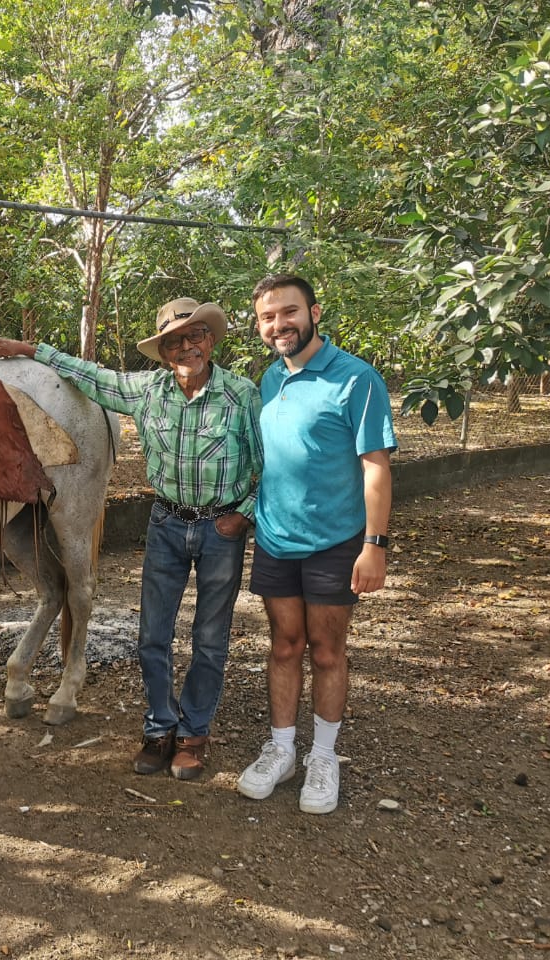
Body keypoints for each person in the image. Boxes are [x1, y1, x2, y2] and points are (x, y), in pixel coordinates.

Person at [0, 298, 262, 781]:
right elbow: (87, 373)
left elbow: (268, 463)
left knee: (209, 639)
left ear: (211, 339)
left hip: (222, 529)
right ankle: (160, 729)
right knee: (152, 638)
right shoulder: (145, 391)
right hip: (167, 525)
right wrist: (29, 349)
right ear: (162, 352)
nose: (186, 347)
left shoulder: (242, 395)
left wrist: (242, 516)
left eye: (194, 336)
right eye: (173, 341)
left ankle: (193, 735)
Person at [236, 274, 396, 815]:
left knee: (327, 651)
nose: (279, 324)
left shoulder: (357, 379)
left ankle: (323, 757)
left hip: (335, 541)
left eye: (288, 312)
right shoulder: (269, 380)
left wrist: (373, 544)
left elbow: (375, 466)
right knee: (284, 645)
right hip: (277, 538)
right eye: (267, 317)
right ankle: (281, 750)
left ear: (314, 312)